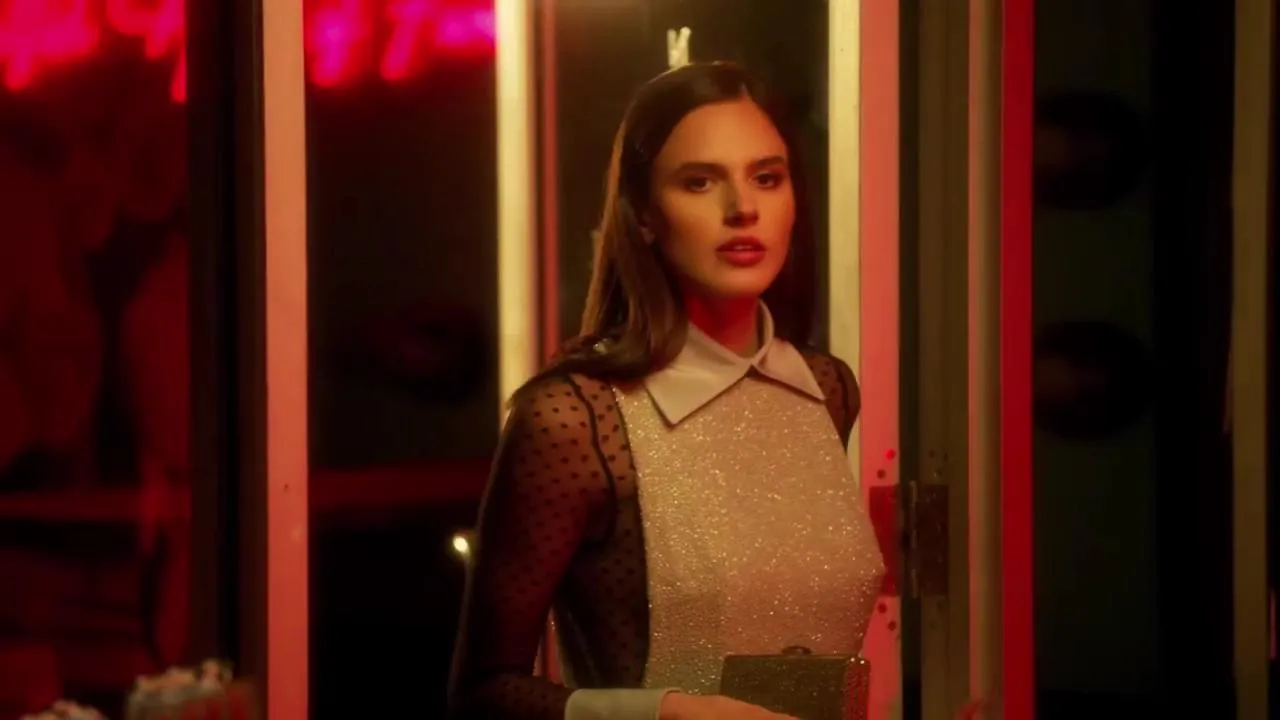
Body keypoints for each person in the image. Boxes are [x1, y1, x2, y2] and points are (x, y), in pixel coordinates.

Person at [449, 62, 885, 720]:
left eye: (767, 178)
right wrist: (666, 712)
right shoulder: (575, 418)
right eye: (700, 181)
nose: (743, 209)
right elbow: (483, 695)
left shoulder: (826, 388)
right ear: (645, 214)